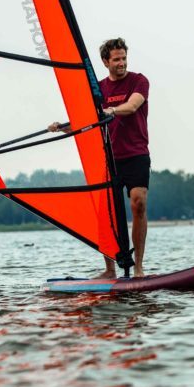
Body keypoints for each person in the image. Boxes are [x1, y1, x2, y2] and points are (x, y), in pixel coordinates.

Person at [49, 37, 149, 278]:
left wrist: (111, 110)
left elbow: (133, 106)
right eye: (116, 59)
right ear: (106, 62)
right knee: (108, 214)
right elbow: (85, 120)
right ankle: (110, 270)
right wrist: (62, 126)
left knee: (138, 203)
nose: (122, 63)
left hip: (136, 154)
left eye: (124, 58)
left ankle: (138, 267)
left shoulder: (139, 81)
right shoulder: (99, 89)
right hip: (108, 159)